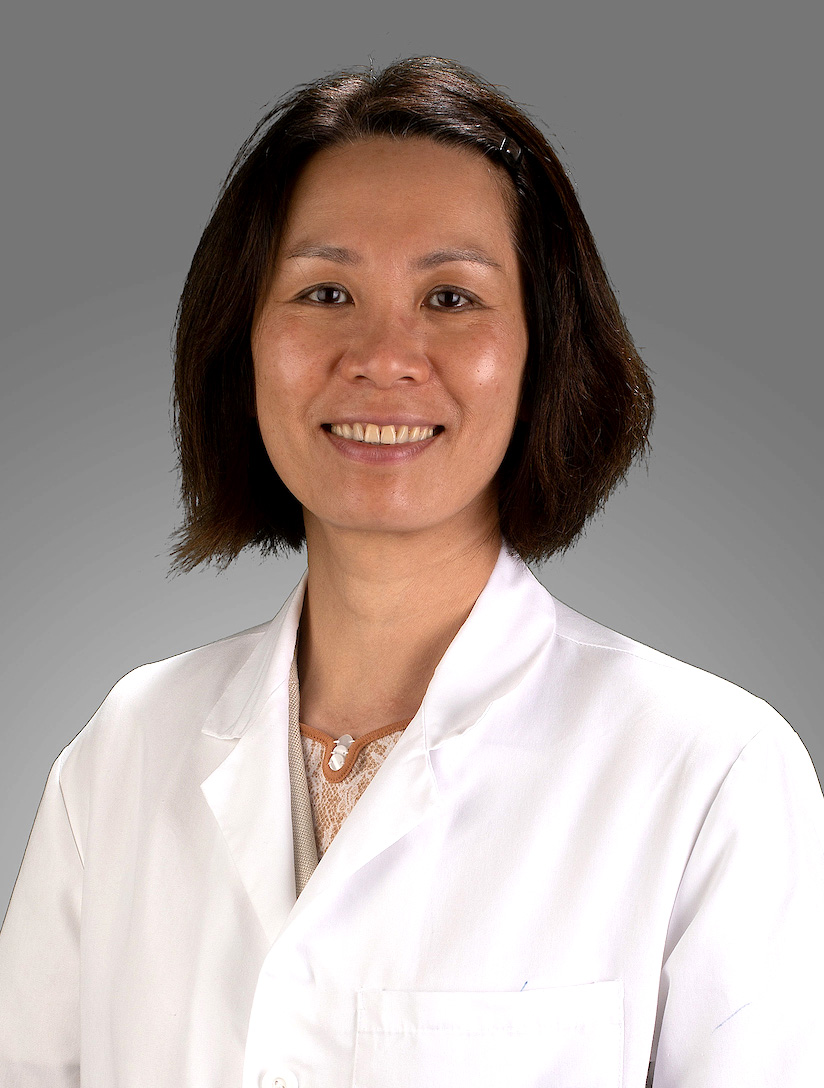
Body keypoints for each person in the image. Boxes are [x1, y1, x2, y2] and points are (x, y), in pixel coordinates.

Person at [0, 56, 822, 1088]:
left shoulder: (708, 771)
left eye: (449, 296)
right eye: (325, 291)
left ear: (543, 352)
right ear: (241, 342)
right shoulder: (127, 747)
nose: (382, 356)